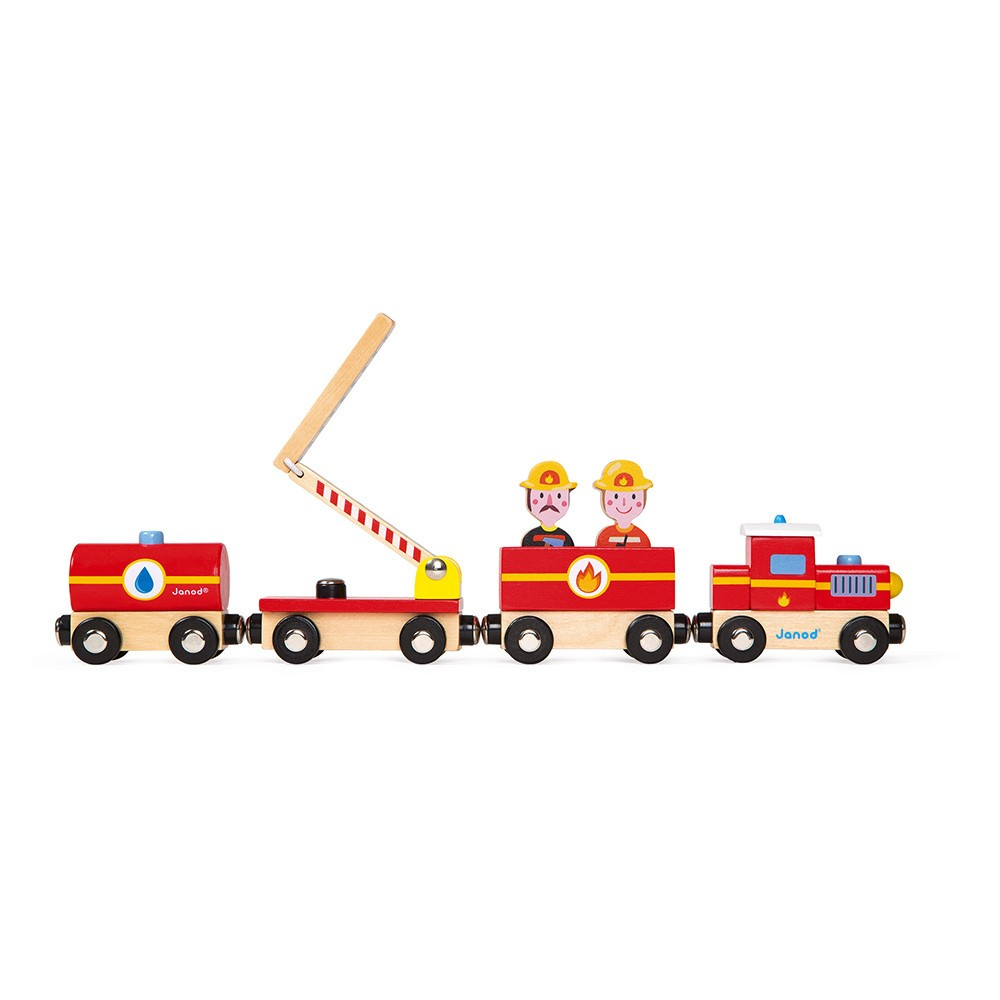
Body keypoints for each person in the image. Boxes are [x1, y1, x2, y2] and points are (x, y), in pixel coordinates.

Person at [593, 460, 652, 547]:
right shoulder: (605, 536)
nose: (624, 503)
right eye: (616, 496)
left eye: (633, 497)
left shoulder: (642, 537)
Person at [520, 461, 576, 547]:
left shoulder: (566, 539)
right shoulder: (530, 538)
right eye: (541, 496)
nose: (549, 502)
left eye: (558, 496)